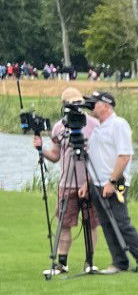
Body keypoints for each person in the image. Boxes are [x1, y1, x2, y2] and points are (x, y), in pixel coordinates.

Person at [85, 91, 138, 272]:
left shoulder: (118, 124)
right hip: (97, 183)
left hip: (116, 182)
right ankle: (119, 262)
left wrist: (111, 181)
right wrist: (88, 183)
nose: (92, 105)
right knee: (107, 224)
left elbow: (124, 156)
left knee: (121, 222)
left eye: (96, 102)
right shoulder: (98, 128)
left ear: (107, 106)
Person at [33, 93, 98, 276]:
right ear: (64, 104)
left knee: (90, 223)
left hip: (88, 181)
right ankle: (62, 263)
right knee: (64, 224)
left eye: (79, 102)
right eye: (73, 103)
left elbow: (100, 157)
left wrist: (89, 182)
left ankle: (89, 261)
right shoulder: (59, 127)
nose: (77, 106)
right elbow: (55, 156)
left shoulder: (93, 124)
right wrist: (41, 149)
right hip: (66, 183)